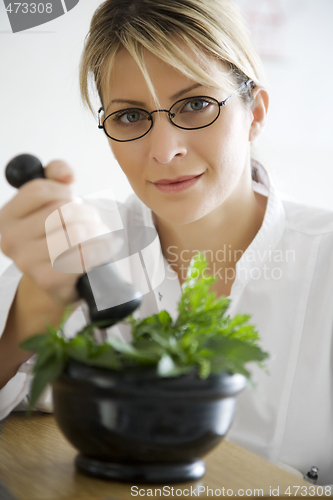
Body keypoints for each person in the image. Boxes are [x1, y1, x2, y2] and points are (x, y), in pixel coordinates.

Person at [0, 0, 332, 485]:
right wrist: (28, 314)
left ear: (254, 113)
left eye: (196, 104)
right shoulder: (76, 251)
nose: (164, 150)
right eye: (131, 116)